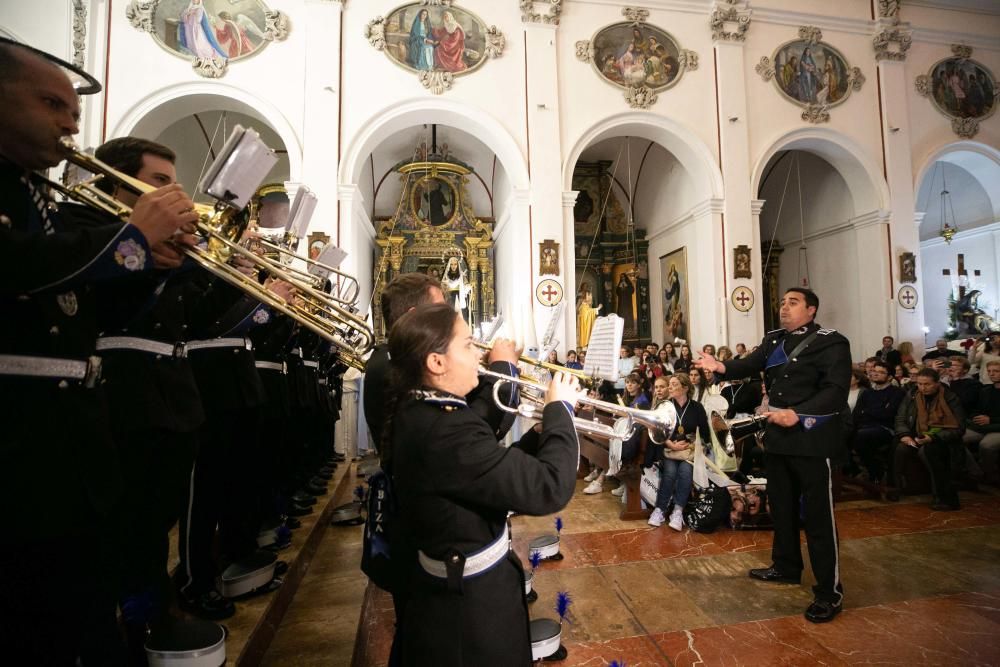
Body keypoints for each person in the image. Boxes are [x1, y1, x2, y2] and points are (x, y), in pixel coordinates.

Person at [0, 38, 198, 663]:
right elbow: (16, 266)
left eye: (75, 113)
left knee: (78, 595)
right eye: (52, 103)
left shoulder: (41, 199)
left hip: (69, 433)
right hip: (18, 433)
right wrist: (134, 241)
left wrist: (157, 264)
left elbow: (86, 310)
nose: (69, 121)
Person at [386, 303, 580, 664]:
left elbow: (485, 468)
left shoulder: (424, 408)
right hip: (470, 609)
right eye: (467, 344)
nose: (480, 353)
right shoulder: (445, 427)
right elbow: (549, 487)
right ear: (436, 362)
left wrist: (540, 435)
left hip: (462, 586)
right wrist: (560, 412)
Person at [695, 287, 851, 624]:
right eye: (782, 301)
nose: (784, 306)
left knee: (819, 518)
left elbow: (836, 393)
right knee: (781, 507)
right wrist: (720, 365)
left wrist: (799, 413)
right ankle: (786, 566)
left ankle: (829, 592)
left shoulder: (831, 342)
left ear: (811, 309)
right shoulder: (774, 339)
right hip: (778, 438)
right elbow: (749, 364)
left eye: (792, 302)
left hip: (811, 440)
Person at [892, 368, 965, 509]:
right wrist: (904, 435)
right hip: (916, 435)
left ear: (937, 383)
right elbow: (900, 417)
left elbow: (959, 428)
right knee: (900, 447)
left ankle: (942, 496)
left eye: (927, 384)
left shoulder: (950, 397)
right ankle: (897, 488)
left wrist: (933, 437)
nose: (922, 388)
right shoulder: (912, 395)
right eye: (919, 384)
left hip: (942, 438)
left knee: (929, 451)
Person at [648, 373, 710, 531]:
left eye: (674, 384)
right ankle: (660, 510)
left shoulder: (697, 407)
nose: (670, 387)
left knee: (685, 471)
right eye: (670, 384)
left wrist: (694, 444)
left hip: (689, 451)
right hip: (670, 449)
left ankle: (678, 511)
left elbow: (704, 433)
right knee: (669, 472)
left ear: (685, 388)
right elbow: (657, 430)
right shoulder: (665, 406)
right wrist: (671, 444)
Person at [963, 360, 1000, 485]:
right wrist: (976, 416)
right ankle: (976, 472)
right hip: (982, 426)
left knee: (986, 445)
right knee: (955, 437)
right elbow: (975, 409)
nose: (992, 374)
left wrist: (991, 419)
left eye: (996, 371)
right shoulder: (986, 390)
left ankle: (990, 475)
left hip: (997, 427)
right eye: (989, 371)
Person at [576, 283, 602, 349]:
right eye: (585, 287)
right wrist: (597, 309)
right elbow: (587, 313)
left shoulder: (587, 303)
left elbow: (589, 309)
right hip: (584, 322)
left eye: (587, 286)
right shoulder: (582, 306)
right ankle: (585, 343)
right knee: (586, 330)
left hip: (588, 318)